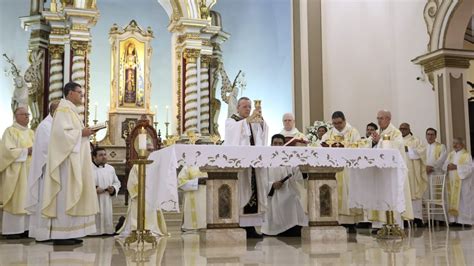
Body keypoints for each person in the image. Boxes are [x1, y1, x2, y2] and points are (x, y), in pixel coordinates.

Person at [41, 82, 100, 245]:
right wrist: (82, 133)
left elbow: (72, 134)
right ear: (69, 93)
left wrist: (84, 133)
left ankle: (70, 232)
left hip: (74, 160)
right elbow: (60, 135)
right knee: (65, 194)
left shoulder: (71, 110)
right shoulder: (63, 109)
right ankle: (61, 234)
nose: (82, 95)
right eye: (79, 92)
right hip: (66, 162)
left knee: (72, 194)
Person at [224, 96, 269, 238]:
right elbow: (232, 135)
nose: (248, 109)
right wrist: (248, 121)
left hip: (254, 166)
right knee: (243, 193)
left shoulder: (252, 121)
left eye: (249, 107)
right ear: (237, 108)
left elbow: (262, 134)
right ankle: (240, 226)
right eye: (245, 107)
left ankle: (251, 228)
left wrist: (261, 121)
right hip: (241, 167)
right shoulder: (231, 121)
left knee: (255, 193)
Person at [369, 110, 414, 232]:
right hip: (379, 171)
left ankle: (394, 224)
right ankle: (378, 225)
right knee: (379, 195)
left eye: (381, 118)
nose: (378, 120)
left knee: (392, 195)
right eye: (377, 118)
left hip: (392, 173)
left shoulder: (395, 133)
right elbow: (370, 145)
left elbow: (396, 147)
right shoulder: (377, 132)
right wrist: (373, 142)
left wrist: (380, 141)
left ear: (388, 119)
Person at [321, 111, 362, 233]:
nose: (337, 126)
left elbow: (359, 147)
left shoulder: (353, 132)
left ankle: (351, 223)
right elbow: (321, 147)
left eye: (339, 123)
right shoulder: (329, 134)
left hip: (348, 169)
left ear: (344, 120)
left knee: (348, 193)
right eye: (334, 123)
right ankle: (335, 220)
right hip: (333, 169)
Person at [261, 134, 307, 236]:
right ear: (271, 144)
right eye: (275, 143)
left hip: (289, 192)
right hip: (273, 195)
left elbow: (298, 176)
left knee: (293, 200)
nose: (277, 145)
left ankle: (293, 228)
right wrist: (272, 185)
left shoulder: (289, 158)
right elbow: (261, 179)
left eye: (280, 143)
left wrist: (302, 167)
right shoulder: (265, 160)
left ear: (284, 145)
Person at [26, 100, 60, 241]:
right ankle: (44, 233)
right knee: (46, 200)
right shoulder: (45, 126)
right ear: (54, 111)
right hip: (46, 171)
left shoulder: (55, 125)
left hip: (55, 168)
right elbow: (47, 148)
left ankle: (56, 232)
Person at [0, 106, 34, 238]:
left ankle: (26, 229)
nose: (27, 117)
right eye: (24, 114)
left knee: (28, 199)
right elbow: (6, 152)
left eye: (28, 114)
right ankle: (12, 231)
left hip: (30, 171)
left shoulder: (31, 133)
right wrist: (26, 151)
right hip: (16, 173)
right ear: (16, 116)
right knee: (17, 199)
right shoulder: (10, 131)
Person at [117, 149, 168, 238]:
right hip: (139, 196)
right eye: (149, 150)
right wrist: (139, 192)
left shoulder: (156, 166)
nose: (151, 152)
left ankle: (151, 229)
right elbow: (132, 182)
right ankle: (137, 228)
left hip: (152, 195)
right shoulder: (137, 166)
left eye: (152, 151)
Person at [399, 123, 427, 227]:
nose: (402, 130)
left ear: (409, 129)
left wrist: (409, 150)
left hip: (413, 172)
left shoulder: (415, 140)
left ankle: (417, 218)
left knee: (415, 194)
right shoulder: (397, 140)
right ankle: (405, 218)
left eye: (404, 128)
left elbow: (422, 152)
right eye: (401, 128)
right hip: (401, 172)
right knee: (404, 195)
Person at [443, 138, 473, 226]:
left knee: (463, 200)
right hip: (451, 182)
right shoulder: (450, 154)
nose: (455, 145)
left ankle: (465, 221)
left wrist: (457, 167)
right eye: (454, 143)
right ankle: (454, 220)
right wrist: (447, 166)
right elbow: (444, 166)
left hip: (462, 183)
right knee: (452, 200)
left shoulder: (466, 155)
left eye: (457, 143)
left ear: (462, 145)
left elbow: (470, 168)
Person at [91, 147, 121, 235]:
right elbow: (84, 182)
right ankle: (94, 232)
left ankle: (107, 231)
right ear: (94, 157)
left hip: (106, 199)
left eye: (104, 154)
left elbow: (117, 182)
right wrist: (94, 188)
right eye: (100, 155)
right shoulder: (88, 168)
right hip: (94, 199)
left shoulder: (110, 169)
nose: (104, 157)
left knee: (106, 216)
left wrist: (113, 189)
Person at [178, 166, 207, 231]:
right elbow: (180, 182)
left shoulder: (214, 162)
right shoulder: (188, 165)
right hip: (194, 198)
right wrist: (197, 181)